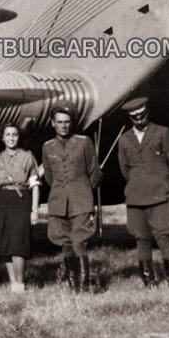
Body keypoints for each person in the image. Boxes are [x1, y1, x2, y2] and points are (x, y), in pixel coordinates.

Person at [117, 96, 169, 286]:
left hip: (160, 194)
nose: (139, 119)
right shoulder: (124, 140)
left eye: (142, 115)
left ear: (147, 113)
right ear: (130, 118)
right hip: (136, 196)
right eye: (135, 117)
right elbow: (124, 168)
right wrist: (137, 183)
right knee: (141, 238)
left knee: (163, 236)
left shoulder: (163, 133)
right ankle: (148, 280)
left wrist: (165, 184)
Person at [41, 103, 102, 291]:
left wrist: (82, 190)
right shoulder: (47, 147)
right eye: (59, 122)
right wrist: (62, 192)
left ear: (71, 123)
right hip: (59, 201)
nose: (63, 126)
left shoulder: (84, 142)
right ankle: (73, 286)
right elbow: (49, 176)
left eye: (67, 122)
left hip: (81, 200)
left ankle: (84, 286)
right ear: (53, 123)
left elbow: (95, 173)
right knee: (65, 243)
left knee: (79, 241)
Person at [0, 123, 40, 293]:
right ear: (2, 137)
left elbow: (35, 185)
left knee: (19, 243)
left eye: (14, 134)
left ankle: (20, 282)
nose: (11, 138)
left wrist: (34, 210)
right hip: (2, 201)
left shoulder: (28, 157)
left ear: (19, 137)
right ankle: (12, 283)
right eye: (8, 135)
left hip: (21, 200)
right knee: (5, 245)